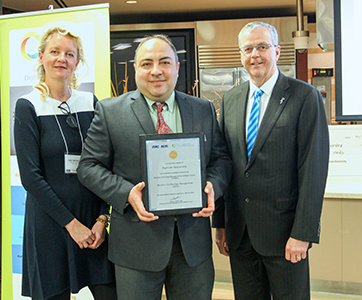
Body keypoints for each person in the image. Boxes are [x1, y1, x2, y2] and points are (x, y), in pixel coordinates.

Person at [77, 34, 231, 300]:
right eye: (147, 63)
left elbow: (221, 160)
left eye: (164, 62)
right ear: (136, 68)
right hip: (136, 246)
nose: (156, 71)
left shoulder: (202, 108)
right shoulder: (110, 111)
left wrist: (213, 187)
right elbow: (88, 167)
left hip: (192, 246)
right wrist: (126, 193)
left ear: (177, 67)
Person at [212, 21, 330, 300]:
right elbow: (222, 162)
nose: (255, 55)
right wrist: (221, 224)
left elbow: (313, 170)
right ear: (241, 55)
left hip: (286, 236)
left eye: (262, 47)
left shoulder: (304, 96)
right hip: (240, 235)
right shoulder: (231, 100)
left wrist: (303, 233)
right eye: (248, 48)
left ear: (277, 51)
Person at [14, 26, 116, 300]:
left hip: (93, 221)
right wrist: (71, 225)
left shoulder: (90, 102)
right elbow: (30, 177)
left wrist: (101, 219)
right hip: (51, 223)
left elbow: (105, 163)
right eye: (55, 51)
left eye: (69, 54)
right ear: (41, 57)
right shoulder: (28, 105)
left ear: (77, 61)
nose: (62, 58)